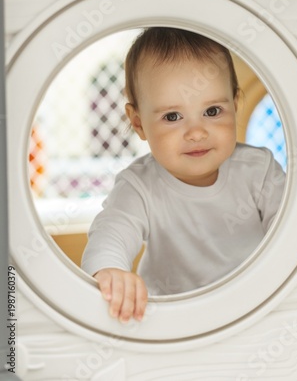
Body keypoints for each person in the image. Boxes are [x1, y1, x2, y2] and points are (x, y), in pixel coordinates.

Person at [81, 27, 286, 324]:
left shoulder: (259, 170)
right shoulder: (139, 186)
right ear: (138, 123)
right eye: (172, 117)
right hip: (170, 324)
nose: (196, 132)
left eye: (213, 111)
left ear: (235, 105)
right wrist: (111, 272)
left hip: (255, 311)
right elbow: (111, 234)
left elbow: (295, 231)